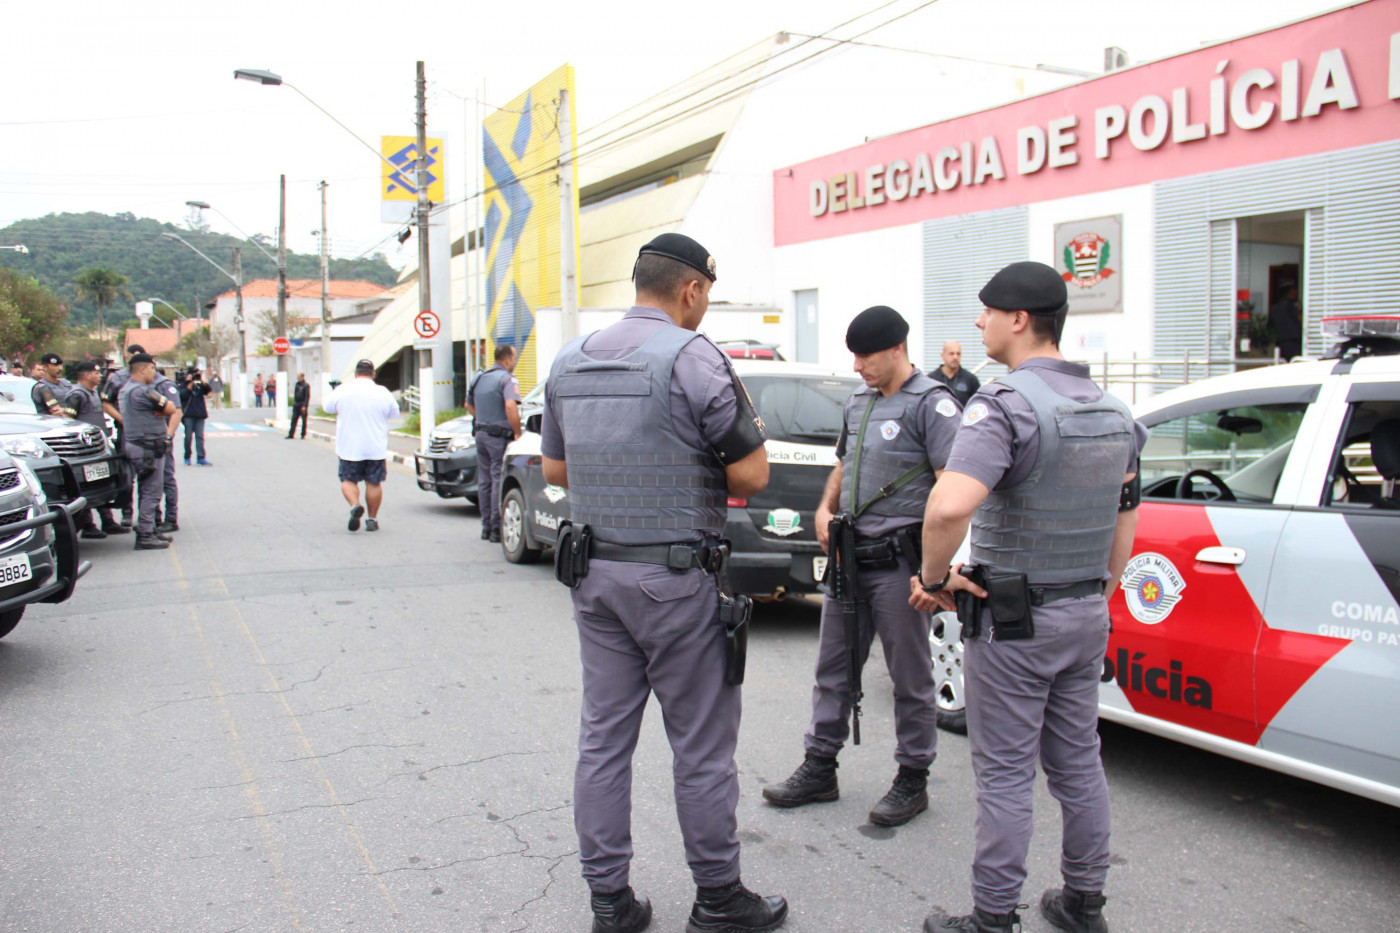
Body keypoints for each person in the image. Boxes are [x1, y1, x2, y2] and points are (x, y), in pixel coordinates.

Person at [541, 233, 786, 933]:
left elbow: (556, 472)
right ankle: (718, 898)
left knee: (602, 738)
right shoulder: (693, 356)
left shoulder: (569, 357)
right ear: (692, 289)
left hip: (597, 574)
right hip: (677, 580)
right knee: (702, 745)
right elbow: (752, 473)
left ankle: (609, 901)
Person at [909, 261, 1146, 933]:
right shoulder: (1113, 409)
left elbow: (947, 507)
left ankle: (991, 917)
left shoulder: (1004, 403)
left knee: (1007, 774)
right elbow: (1125, 516)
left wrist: (932, 577)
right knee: (1078, 763)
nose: (977, 323)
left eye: (986, 311)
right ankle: (1083, 902)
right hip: (1083, 612)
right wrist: (1098, 589)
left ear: (1019, 319)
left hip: (1015, 620)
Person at [762, 306, 961, 827]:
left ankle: (913, 777)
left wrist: (937, 567)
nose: (857, 366)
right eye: (853, 356)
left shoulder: (933, 406)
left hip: (899, 563)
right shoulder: (859, 402)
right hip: (850, 559)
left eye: (865, 355)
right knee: (833, 670)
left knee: (910, 677)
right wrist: (825, 509)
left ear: (897, 348)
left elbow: (952, 485)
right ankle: (820, 765)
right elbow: (845, 464)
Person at [118, 354, 182, 550]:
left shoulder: (124, 390)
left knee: (145, 488)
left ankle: (149, 528)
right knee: (151, 491)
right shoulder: (143, 391)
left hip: (135, 445)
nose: (155, 373)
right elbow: (171, 407)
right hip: (147, 448)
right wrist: (163, 411)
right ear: (143, 369)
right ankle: (146, 533)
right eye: (153, 369)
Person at [324, 360, 397, 532]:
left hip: (350, 448)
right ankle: (372, 519)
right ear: (373, 374)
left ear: (356, 374)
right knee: (374, 483)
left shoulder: (343, 390)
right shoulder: (383, 392)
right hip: (375, 448)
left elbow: (327, 408)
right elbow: (395, 413)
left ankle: (355, 505)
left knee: (348, 480)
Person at [465, 344, 522, 542]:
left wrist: (482, 419)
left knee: (485, 481)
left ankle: (486, 526)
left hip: (480, 434)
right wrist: (517, 432)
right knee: (498, 477)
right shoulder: (507, 379)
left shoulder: (479, 377)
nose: (514, 363)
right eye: (514, 359)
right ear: (507, 360)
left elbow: (468, 405)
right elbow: (510, 405)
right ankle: (497, 528)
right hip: (499, 437)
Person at [66, 361, 127, 537]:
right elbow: (68, 421)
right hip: (82, 450)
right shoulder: (76, 395)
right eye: (97, 373)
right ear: (87, 375)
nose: (100, 376)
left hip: (96, 448)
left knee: (99, 482)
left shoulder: (92, 393)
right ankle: (87, 525)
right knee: (84, 487)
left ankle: (107, 521)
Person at [102, 344, 147, 529]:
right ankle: (127, 512)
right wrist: (124, 420)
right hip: (126, 432)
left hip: (147, 432)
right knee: (127, 477)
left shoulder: (150, 376)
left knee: (149, 476)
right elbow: (106, 403)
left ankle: (149, 517)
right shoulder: (118, 378)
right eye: (132, 355)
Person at [150, 366, 183, 533]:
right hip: (146, 440)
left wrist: (168, 436)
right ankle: (153, 518)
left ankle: (171, 518)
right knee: (149, 481)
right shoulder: (138, 385)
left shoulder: (163, 385)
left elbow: (177, 412)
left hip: (161, 439)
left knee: (166, 478)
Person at [930, 339, 981, 407]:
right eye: (951, 354)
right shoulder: (931, 379)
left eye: (958, 354)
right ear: (942, 356)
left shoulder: (970, 380)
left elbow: (977, 405)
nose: (955, 357)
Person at [178, 368, 212, 466]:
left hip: (200, 413)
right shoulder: (183, 384)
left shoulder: (201, 384)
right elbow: (182, 395)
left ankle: (201, 457)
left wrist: (202, 382)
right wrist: (190, 384)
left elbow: (209, 393)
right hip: (188, 414)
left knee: (200, 436)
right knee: (188, 436)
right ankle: (187, 456)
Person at [31, 353, 74, 418]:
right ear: (45, 367)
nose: (60, 368)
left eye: (60, 365)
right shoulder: (41, 387)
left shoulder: (66, 384)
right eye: (55, 365)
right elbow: (56, 411)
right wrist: (74, 411)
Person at [1269, 283, 1303, 361]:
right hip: (1294, 341)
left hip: (1281, 341)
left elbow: (1270, 325)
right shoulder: (1293, 305)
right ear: (1290, 293)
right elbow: (1301, 319)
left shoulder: (1275, 307)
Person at [287, 372, 311, 439]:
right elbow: (295, 394)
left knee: (304, 420)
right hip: (296, 404)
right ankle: (291, 434)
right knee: (294, 419)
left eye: (299, 376)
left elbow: (307, 396)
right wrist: (294, 402)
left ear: (302, 377)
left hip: (302, 404)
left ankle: (303, 434)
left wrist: (305, 406)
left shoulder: (306, 385)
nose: (298, 378)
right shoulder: (297, 384)